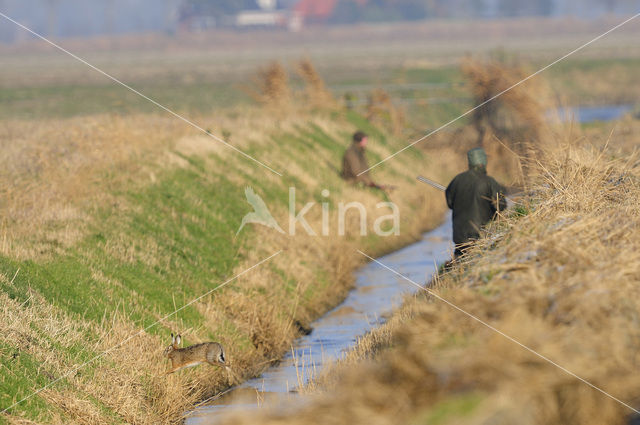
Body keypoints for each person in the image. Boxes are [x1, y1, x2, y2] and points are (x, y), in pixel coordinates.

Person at [445, 147, 506, 258]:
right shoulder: (489, 182)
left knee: (460, 264)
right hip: (482, 235)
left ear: (470, 163)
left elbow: (450, 203)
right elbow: (501, 206)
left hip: (460, 238)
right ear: (483, 162)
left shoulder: (457, 180)